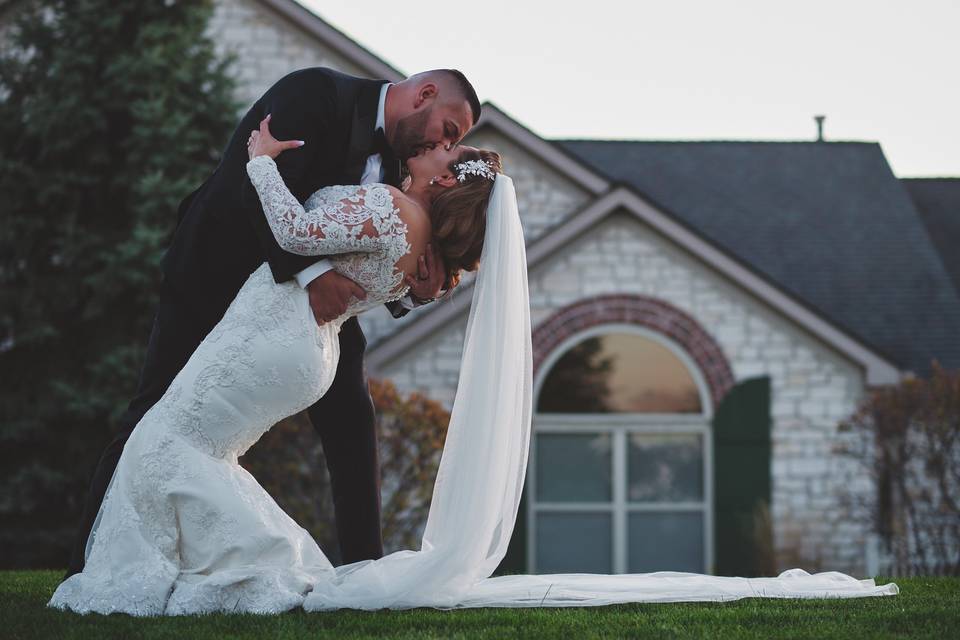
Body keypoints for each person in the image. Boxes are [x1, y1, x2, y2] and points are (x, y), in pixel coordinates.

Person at [48, 120, 898, 616]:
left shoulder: (391, 208)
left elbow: (299, 237)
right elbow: (364, 279)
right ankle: (266, 564)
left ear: (442, 178)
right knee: (192, 448)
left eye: (442, 148)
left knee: (172, 443)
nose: (429, 144)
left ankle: (264, 570)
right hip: (305, 349)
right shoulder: (420, 244)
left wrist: (261, 163)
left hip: (277, 337)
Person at [63, 67, 482, 580]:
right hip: (216, 275)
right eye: (450, 130)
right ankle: (87, 562)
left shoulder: (407, 161)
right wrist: (313, 273)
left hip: (303, 317)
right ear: (425, 93)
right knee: (153, 410)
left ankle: (366, 572)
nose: (445, 143)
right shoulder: (315, 95)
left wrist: (417, 286)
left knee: (352, 421)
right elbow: (253, 181)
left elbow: (374, 251)